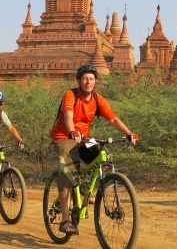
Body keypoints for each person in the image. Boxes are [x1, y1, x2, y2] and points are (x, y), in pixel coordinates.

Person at [50, 64, 138, 235]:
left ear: (95, 81)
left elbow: (112, 119)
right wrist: (72, 130)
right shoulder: (71, 95)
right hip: (64, 136)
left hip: (84, 139)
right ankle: (65, 220)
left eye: (91, 79)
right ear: (78, 81)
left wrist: (128, 133)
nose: (87, 82)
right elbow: (68, 116)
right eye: (84, 79)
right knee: (68, 174)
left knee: (105, 159)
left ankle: (84, 191)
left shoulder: (98, 99)